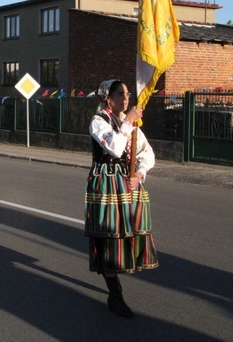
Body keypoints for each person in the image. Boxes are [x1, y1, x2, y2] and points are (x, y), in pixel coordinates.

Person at [85, 79, 157, 318]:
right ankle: (115, 293)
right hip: (106, 184)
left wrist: (140, 172)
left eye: (127, 94)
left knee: (128, 236)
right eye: (120, 94)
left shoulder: (131, 123)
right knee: (109, 237)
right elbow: (115, 148)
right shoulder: (98, 121)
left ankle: (115, 287)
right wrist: (128, 122)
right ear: (108, 98)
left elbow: (148, 153)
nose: (126, 99)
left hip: (128, 185)